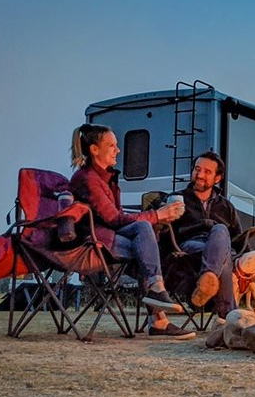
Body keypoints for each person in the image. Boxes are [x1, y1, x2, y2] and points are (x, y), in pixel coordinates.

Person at [69, 124, 194, 338]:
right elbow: (113, 219)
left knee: (147, 237)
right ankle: (158, 315)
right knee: (144, 234)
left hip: (107, 235)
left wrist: (156, 220)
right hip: (92, 240)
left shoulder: (105, 178)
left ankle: (158, 307)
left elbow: (115, 218)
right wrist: (158, 215)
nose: (117, 150)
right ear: (94, 150)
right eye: (112, 145)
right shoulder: (88, 179)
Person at [174, 150, 243, 319]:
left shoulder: (226, 206)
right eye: (197, 169)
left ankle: (208, 280)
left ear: (217, 178)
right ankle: (228, 316)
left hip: (222, 245)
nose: (200, 175)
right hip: (191, 246)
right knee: (223, 257)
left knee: (220, 230)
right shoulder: (177, 199)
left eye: (207, 172)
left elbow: (239, 237)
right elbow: (167, 231)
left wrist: (250, 259)